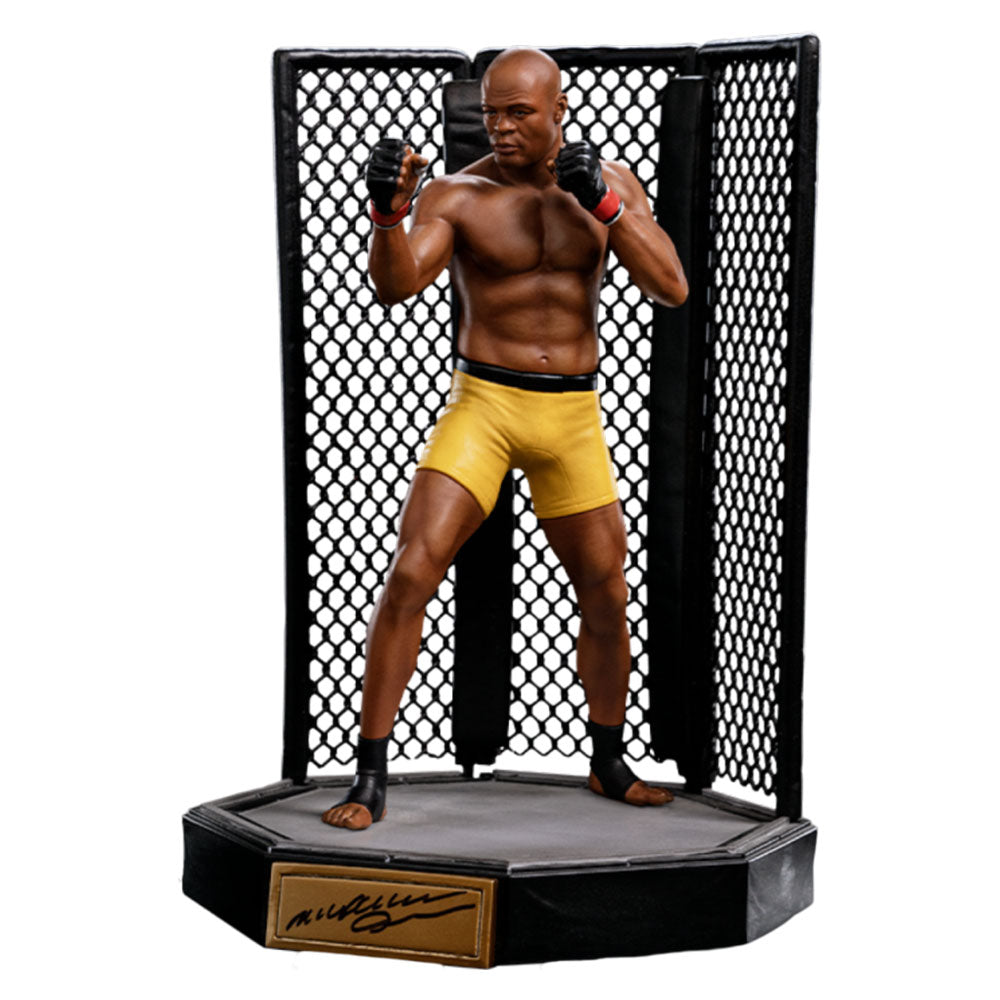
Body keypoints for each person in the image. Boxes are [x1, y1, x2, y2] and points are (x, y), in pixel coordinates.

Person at [322, 47, 688, 830]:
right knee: (413, 569)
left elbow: (671, 287)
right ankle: (370, 775)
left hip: (571, 416)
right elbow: (396, 285)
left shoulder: (612, 184)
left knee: (607, 589)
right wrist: (387, 216)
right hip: (485, 405)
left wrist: (607, 208)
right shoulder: (458, 193)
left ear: (559, 110)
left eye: (518, 112)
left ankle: (608, 761)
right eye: (491, 111)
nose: (501, 126)